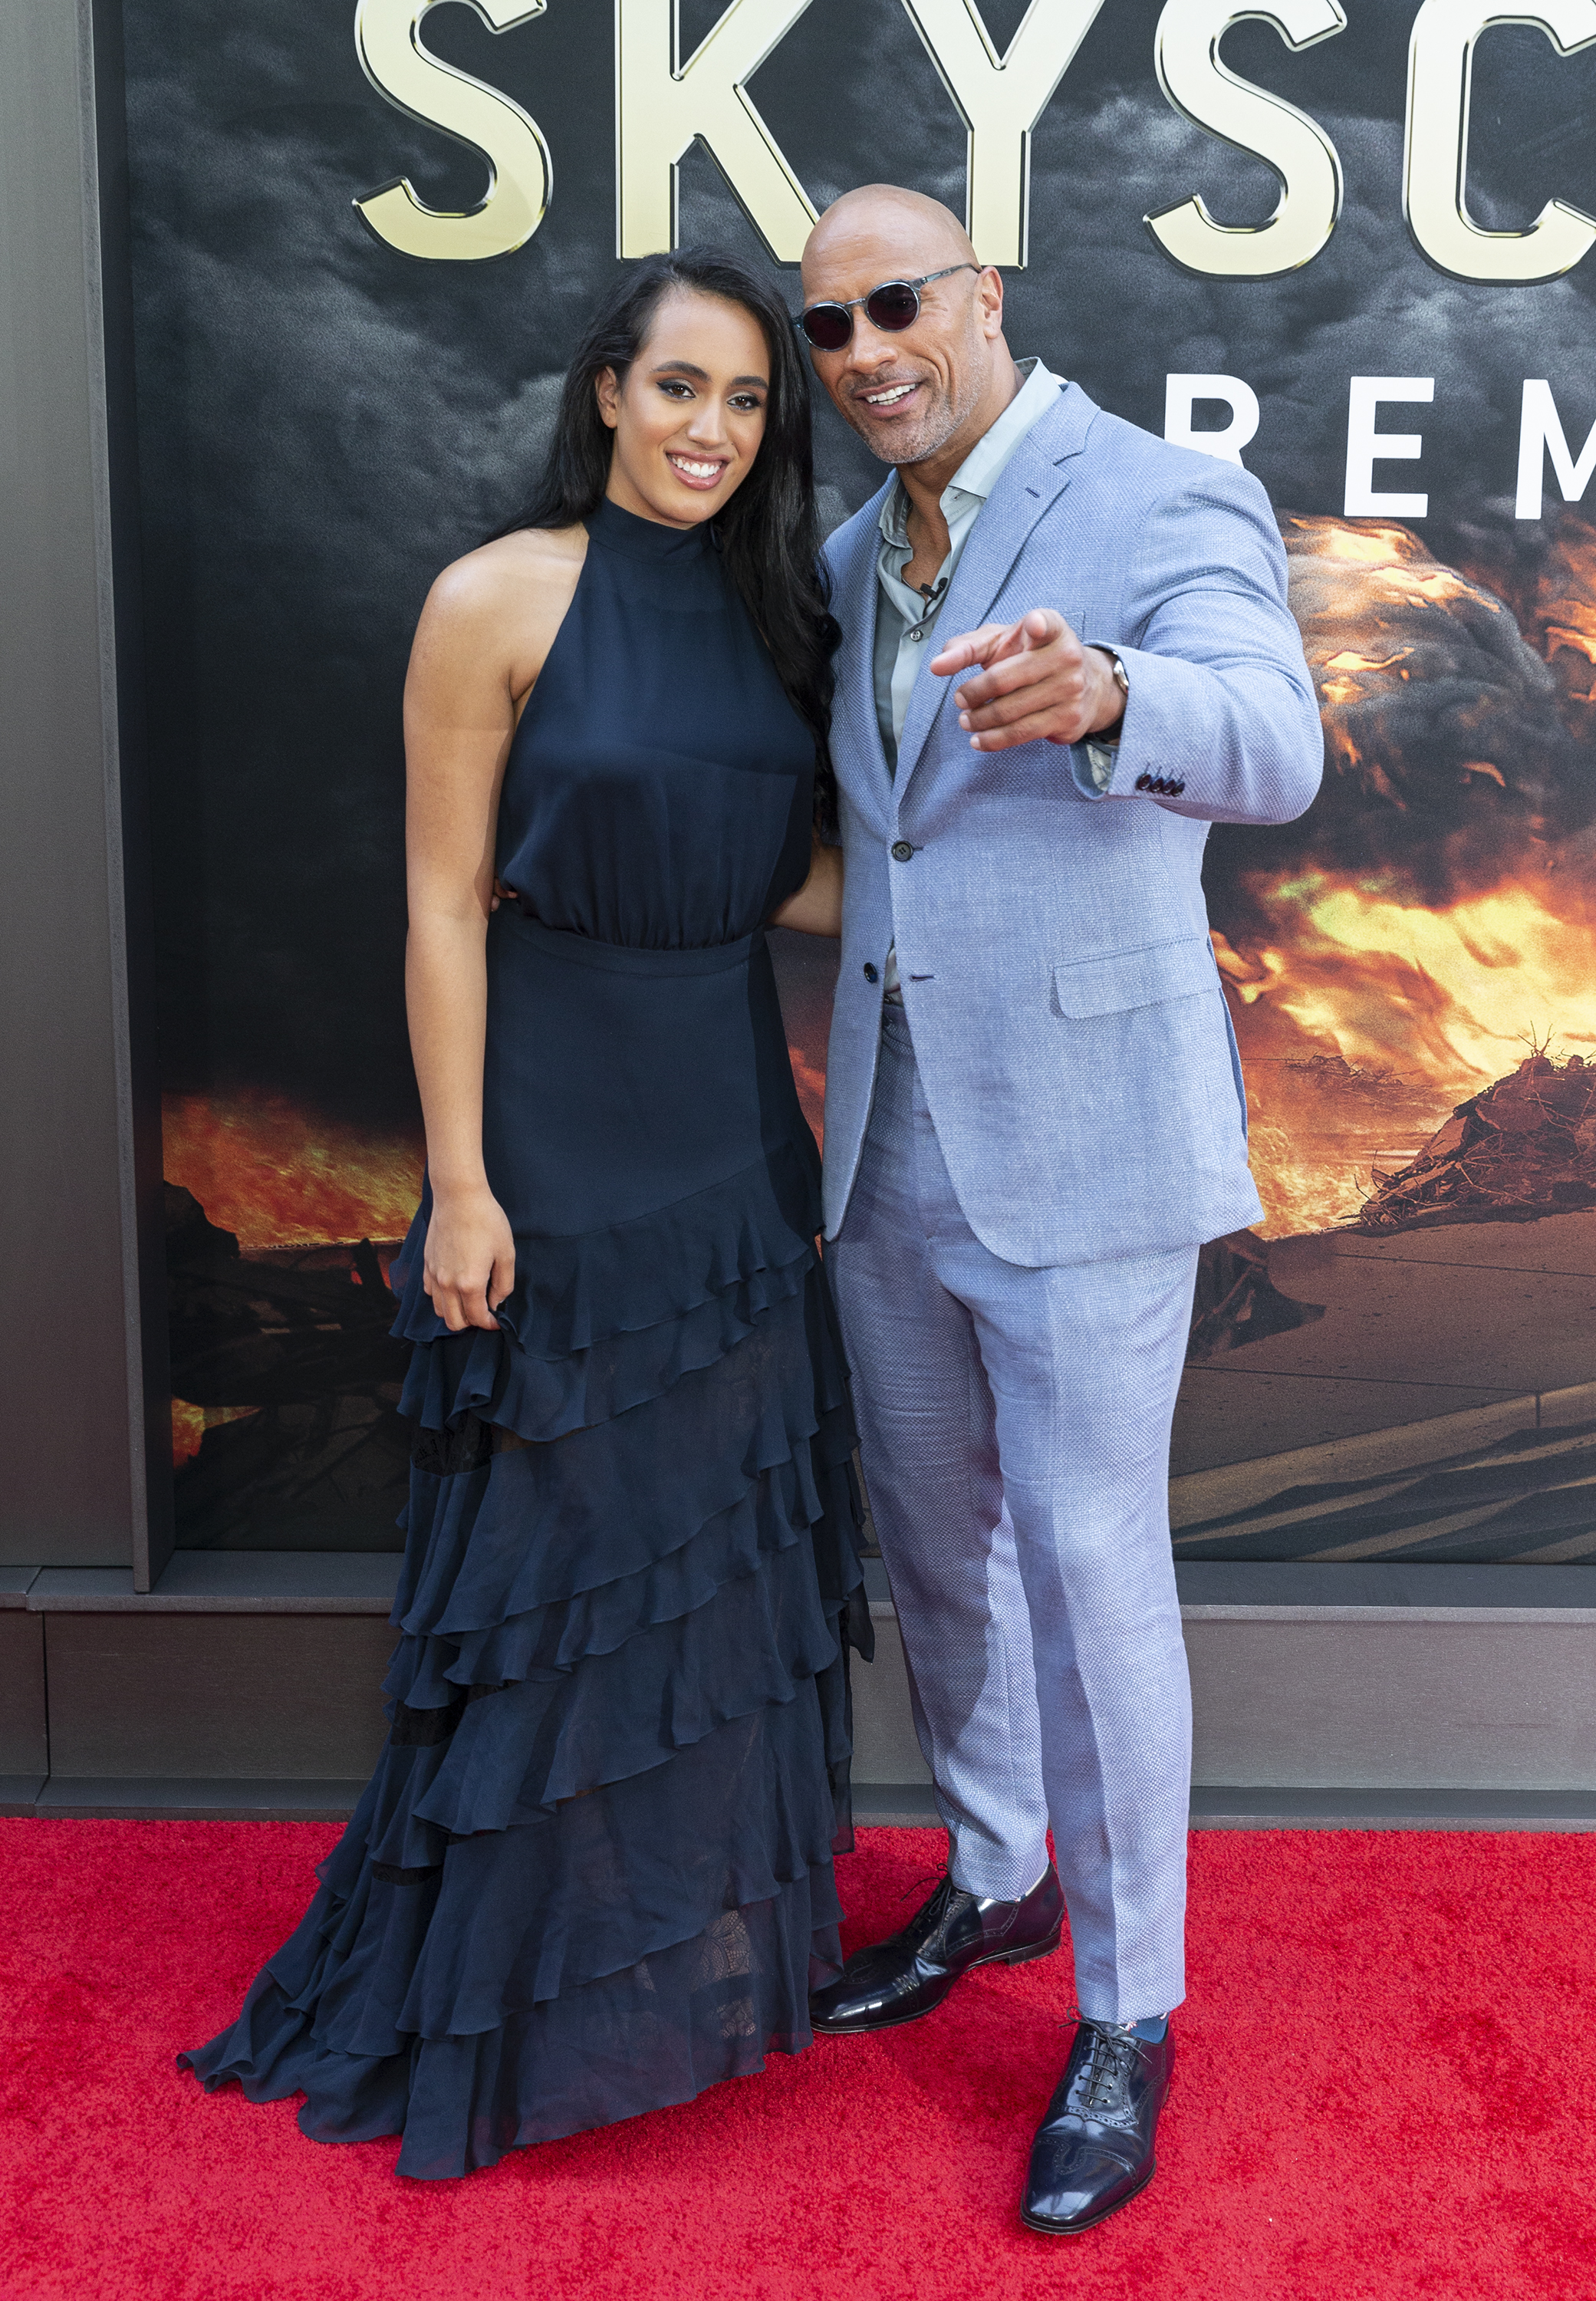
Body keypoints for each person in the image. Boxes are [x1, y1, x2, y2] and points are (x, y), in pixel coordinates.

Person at [179, 248, 868, 2179]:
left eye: (747, 404)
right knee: (561, 1564)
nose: (712, 434)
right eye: (679, 391)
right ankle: (519, 1989)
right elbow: (436, 905)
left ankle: (660, 1975)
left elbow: (790, 886)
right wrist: (463, 1182)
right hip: (553, 1134)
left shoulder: (776, 613)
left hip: (732, 1128)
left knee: (707, 1565)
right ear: (604, 395)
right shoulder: (496, 596)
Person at [797, 186, 1323, 2235]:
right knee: (937, 1545)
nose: (863, 353)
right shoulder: (851, 557)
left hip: (1086, 1140)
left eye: (895, 304)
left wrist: (1112, 697)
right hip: (889, 1147)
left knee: (1096, 1578)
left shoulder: (1156, 489)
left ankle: (1130, 2013)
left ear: (981, 294)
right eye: (827, 326)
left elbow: (1275, 741)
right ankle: (999, 1877)